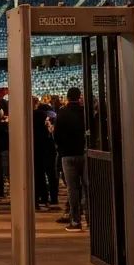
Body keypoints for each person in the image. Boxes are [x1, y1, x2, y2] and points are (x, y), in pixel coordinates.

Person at [53, 88, 87, 231]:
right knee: (87, 186)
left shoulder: (62, 113)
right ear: (79, 97)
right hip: (84, 153)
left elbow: (56, 134)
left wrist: (60, 149)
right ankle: (91, 219)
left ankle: (75, 220)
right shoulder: (85, 112)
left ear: (67, 97)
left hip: (67, 154)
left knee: (72, 189)